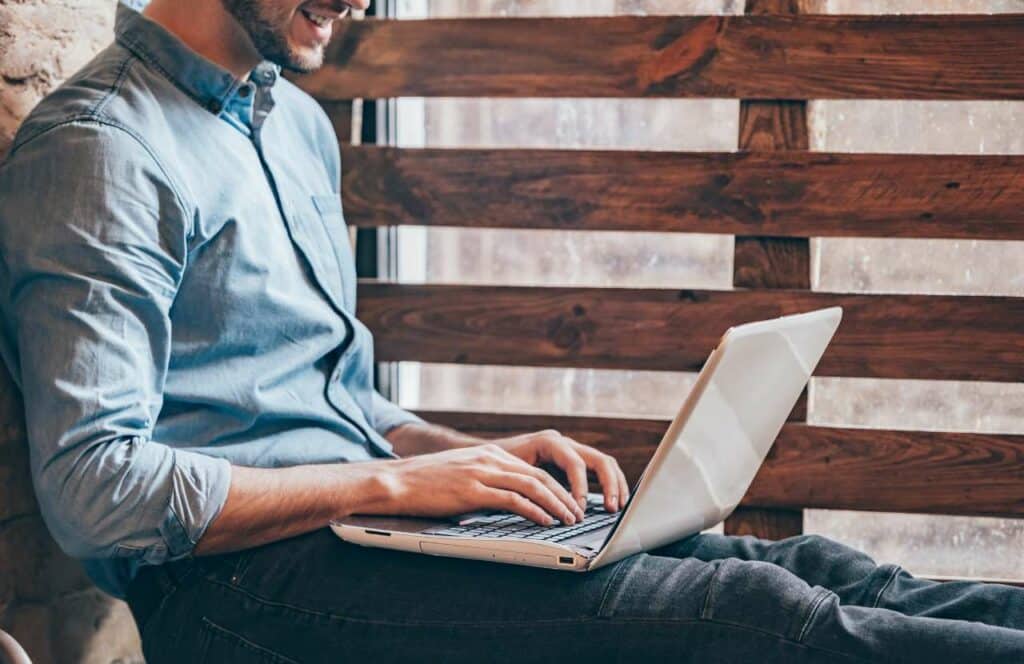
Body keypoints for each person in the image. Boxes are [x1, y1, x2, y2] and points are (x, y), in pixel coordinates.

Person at [1, 1, 1022, 661]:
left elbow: (338, 402)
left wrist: (476, 462)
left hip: (357, 531)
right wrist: (398, 487)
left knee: (818, 573)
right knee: (765, 624)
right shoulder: (101, 152)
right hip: (232, 596)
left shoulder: (295, 125)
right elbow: (98, 492)